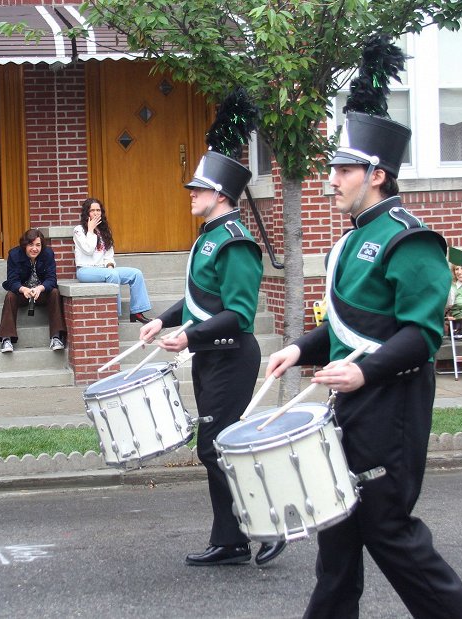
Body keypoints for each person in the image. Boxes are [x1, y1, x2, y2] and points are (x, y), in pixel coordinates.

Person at [265, 109, 462, 618]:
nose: (331, 181)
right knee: (337, 532)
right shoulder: (352, 240)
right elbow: (352, 328)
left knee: (387, 529)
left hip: (391, 407)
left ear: (376, 175)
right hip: (354, 403)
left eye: (343, 170)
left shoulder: (409, 240)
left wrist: (363, 372)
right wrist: (299, 349)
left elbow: (421, 336)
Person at [139, 150, 281, 567]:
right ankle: (231, 541)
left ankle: (269, 526)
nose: (191, 195)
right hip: (210, 356)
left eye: (198, 189)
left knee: (216, 449)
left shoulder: (236, 242)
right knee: (217, 449)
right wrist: (163, 321)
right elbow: (202, 299)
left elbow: (238, 315)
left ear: (219, 194)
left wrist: (187, 336)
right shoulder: (209, 236)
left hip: (232, 357)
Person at [73, 197, 152, 324]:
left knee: (135, 274)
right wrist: (91, 230)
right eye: (92, 210)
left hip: (104, 270)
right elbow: (88, 249)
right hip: (85, 270)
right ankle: (114, 315)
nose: (95, 213)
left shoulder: (104, 230)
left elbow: (109, 255)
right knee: (113, 274)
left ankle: (137, 312)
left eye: (98, 210)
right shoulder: (79, 230)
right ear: (86, 213)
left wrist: (110, 265)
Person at [0, 228, 66, 353]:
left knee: (55, 292)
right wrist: (23, 289)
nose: (35, 248)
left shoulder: (48, 254)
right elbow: (12, 281)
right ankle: (6, 339)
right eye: (31, 245)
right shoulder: (14, 255)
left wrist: (40, 288)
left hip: (41, 293)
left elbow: (52, 279)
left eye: (38, 245)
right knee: (10, 295)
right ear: (24, 245)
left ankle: (56, 337)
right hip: (23, 293)